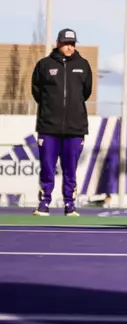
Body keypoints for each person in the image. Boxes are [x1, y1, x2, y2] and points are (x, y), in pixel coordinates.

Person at [31, 28, 93, 217]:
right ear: (58, 43)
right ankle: (44, 204)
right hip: (49, 127)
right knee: (47, 167)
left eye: (72, 44)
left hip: (75, 129)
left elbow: (86, 92)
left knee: (70, 170)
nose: (69, 47)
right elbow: (37, 92)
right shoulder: (44, 65)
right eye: (66, 43)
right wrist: (51, 111)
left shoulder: (83, 65)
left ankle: (70, 205)